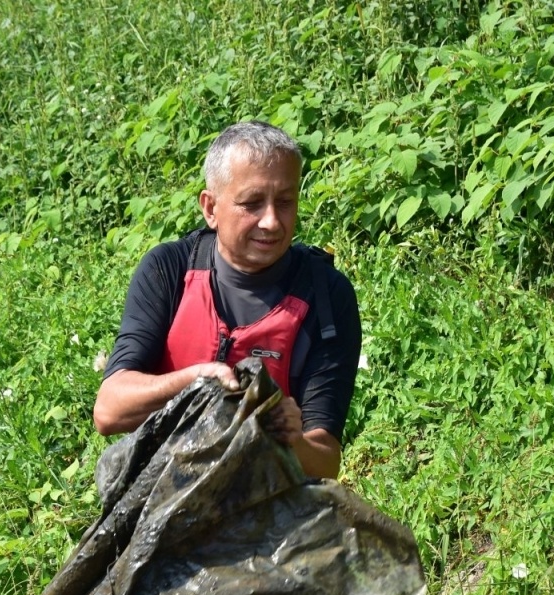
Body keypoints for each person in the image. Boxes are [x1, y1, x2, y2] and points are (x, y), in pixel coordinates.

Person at [93, 121, 362, 480]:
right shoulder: (169, 269)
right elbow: (109, 411)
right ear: (210, 208)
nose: (272, 222)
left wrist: (290, 438)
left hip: (268, 493)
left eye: (285, 202)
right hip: (163, 487)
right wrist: (197, 382)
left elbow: (326, 462)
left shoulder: (326, 294)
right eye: (252, 204)